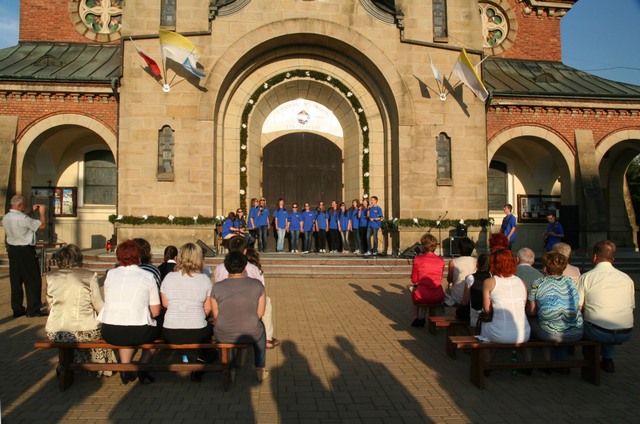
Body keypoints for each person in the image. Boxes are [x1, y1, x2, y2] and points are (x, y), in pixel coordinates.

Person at [98, 240, 162, 385]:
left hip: (110, 330)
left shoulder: (110, 275)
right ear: (138, 256)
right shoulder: (147, 276)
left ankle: (125, 367)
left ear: (118, 257)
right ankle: (143, 365)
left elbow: (109, 300)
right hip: (138, 332)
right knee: (160, 326)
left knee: (125, 325)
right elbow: (156, 311)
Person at [45, 244, 116, 374]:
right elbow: (98, 305)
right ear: (79, 258)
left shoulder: (50, 277)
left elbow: (49, 306)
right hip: (85, 330)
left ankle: (72, 363)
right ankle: (100, 367)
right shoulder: (89, 275)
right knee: (102, 331)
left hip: (56, 331)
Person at [210, 251, 269, 382]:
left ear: (226, 267)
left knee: (227, 330)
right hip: (250, 330)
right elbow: (260, 313)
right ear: (244, 267)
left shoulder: (217, 287)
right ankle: (260, 368)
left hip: (224, 331)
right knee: (261, 330)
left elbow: (216, 315)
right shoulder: (257, 285)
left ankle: (231, 369)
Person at [213, 236, 280, 349]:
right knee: (266, 301)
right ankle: (267, 339)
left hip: (225, 311)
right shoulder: (252, 268)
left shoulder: (219, 268)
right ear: (245, 251)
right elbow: (261, 291)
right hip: (249, 312)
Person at [578, 240, 634, 373]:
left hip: (599, 331)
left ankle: (590, 364)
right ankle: (608, 359)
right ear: (613, 258)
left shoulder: (587, 277)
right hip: (626, 331)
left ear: (594, 257)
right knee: (608, 319)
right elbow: (631, 307)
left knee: (588, 323)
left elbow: (578, 307)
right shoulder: (627, 278)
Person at [160, 242, 214, 382]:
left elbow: (165, 304)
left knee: (184, 336)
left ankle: (193, 358)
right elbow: (208, 308)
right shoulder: (204, 279)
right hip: (197, 330)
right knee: (207, 332)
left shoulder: (169, 277)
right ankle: (198, 360)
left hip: (171, 331)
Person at [526, 252, 583, 363]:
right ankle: (559, 359)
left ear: (545, 268)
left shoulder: (538, 283)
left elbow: (532, 311)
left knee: (530, 320)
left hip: (551, 333)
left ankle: (531, 360)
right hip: (576, 331)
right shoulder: (571, 282)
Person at [2, 195, 48, 318]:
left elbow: (22, 221)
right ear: (20, 205)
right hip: (26, 251)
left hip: (12, 250)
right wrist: (42, 213)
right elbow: (41, 226)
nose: (25, 207)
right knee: (33, 280)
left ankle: (17, 309)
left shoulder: (6, 217)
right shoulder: (23, 218)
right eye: (24, 205)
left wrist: (30, 212)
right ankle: (33, 309)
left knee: (16, 280)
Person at [480, 248, 530, 343]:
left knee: (485, 324)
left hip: (500, 334)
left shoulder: (489, 282)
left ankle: (486, 352)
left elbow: (487, 310)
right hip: (524, 334)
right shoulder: (521, 282)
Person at [408, 233, 445, 327]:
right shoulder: (441, 260)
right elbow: (439, 277)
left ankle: (416, 317)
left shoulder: (418, 259)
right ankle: (422, 317)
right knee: (425, 290)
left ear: (423, 246)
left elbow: (414, 279)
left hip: (422, 295)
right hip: (438, 294)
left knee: (415, 290)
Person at [460, 253, 491, 328]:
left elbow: (465, 301)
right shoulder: (492, 278)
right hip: (489, 314)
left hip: (474, 314)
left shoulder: (471, 278)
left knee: (460, 311)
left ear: (477, 264)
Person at [445, 237, 476, 309]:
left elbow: (450, 279)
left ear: (459, 249)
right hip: (472, 296)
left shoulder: (453, 262)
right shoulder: (476, 261)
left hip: (457, 296)